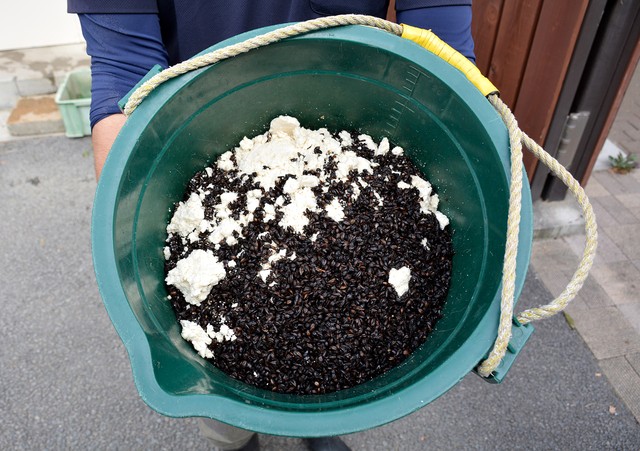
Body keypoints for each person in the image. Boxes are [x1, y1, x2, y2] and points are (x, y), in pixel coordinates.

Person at [68, 2, 474, 450]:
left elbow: (446, 49)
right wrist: (127, 228)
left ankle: (319, 428)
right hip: (196, 128)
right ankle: (232, 437)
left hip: (347, 101)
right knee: (215, 390)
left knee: (330, 373)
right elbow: (124, 74)